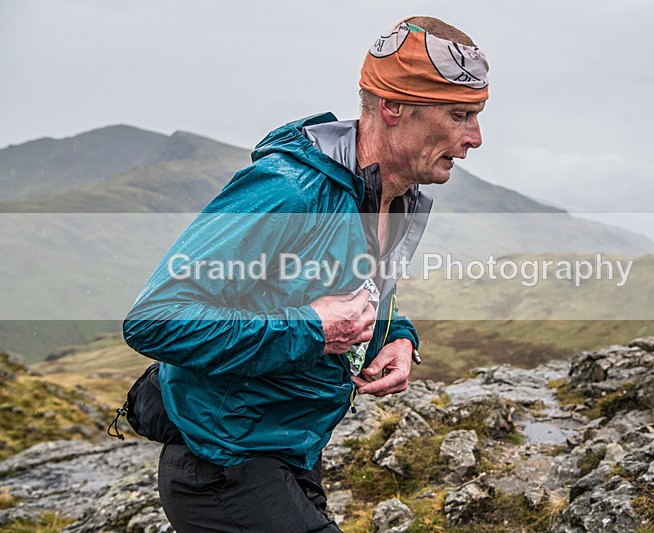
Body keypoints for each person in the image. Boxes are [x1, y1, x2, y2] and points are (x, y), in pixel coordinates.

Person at [123, 15, 488, 532]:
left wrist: (399, 336)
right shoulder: (290, 191)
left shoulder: (394, 197)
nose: (475, 138)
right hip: (223, 463)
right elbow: (156, 320)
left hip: (292, 453)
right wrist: (311, 330)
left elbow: (351, 296)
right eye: (459, 115)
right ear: (392, 106)